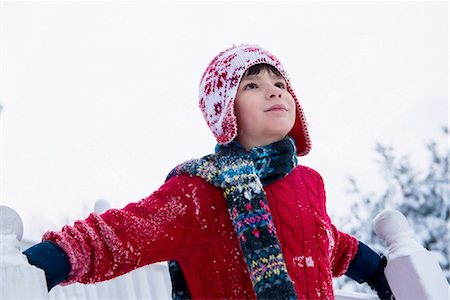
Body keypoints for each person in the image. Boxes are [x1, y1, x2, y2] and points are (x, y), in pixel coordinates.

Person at [23, 44, 393, 299]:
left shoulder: (309, 183)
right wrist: (48, 261)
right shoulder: (200, 191)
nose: (274, 92)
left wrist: (376, 271)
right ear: (226, 112)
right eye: (252, 85)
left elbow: (326, 242)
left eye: (280, 84)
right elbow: (126, 232)